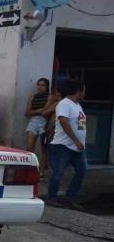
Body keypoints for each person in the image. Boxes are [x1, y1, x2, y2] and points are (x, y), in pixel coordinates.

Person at [47, 80, 87, 210]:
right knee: (58, 172)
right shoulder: (64, 104)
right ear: (78, 91)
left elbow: (80, 125)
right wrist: (75, 139)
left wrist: (81, 140)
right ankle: (51, 197)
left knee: (81, 170)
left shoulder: (77, 105)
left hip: (78, 146)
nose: (84, 93)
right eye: (83, 90)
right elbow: (64, 122)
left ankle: (70, 198)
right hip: (63, 145)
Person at [25, 78, 51, 171]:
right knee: (29, 147)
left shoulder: (50, 97)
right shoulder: (33, 97)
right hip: (33, 121)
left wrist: (35, 111)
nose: (40, 87)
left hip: (44, 122)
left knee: (43, 149)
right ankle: (29, 168)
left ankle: (42, 171)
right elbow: (27, 113)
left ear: (47, 86)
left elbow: (46, 111)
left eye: (42, 85)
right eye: (38, 85)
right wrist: (38, 111)